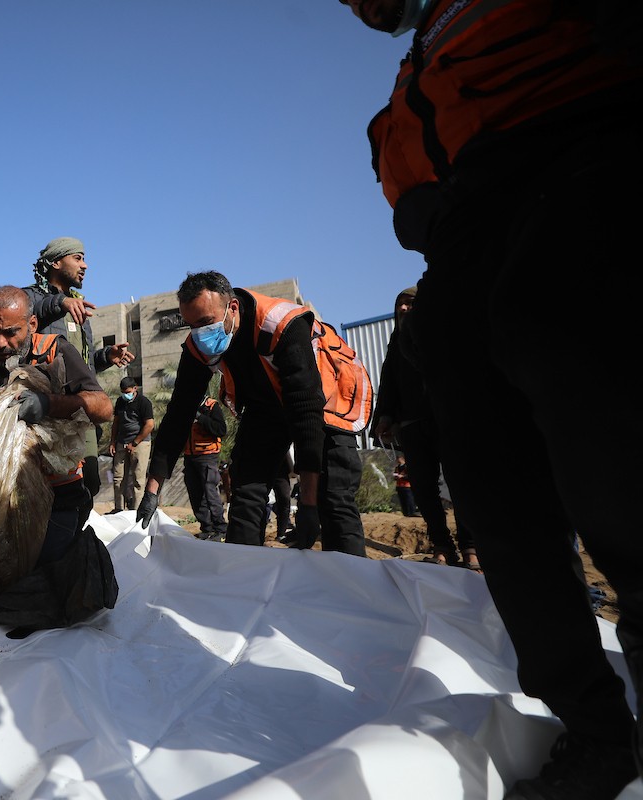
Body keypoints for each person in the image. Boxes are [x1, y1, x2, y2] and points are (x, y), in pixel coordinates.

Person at [338, 1, 641, 796]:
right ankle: (598, 730)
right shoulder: (420, 61)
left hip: (587, 180)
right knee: (502, 513)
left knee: (618, 481)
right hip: (471, 242)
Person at [136, 271, 367, 558]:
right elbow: (178, 415)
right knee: (246, 494)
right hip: (266, 408)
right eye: (193, 326)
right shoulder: (199, 345)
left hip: (326, 404)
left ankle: (354, 588)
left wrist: (308, 506)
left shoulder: (282, 324)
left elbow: (306, 413)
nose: (200, 334)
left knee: (333, 500)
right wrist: (152, 490)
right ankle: (242, 580)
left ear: (232, 308)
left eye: (206, 323)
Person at [0, 286, 112, 566]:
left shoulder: (56, 351)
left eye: (10, 332)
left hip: (57, 494)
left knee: (46, 572)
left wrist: (49, 404)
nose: (0, 342)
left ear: (32, 324)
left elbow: (103, 407)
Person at [372, 286, 479, 569]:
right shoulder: (396, 341)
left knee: (460, 483)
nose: (404, 309)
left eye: (410, 304)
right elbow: (389, 380)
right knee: (423, 488)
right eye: (400, 306)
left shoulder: (445, 331)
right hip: (411, 424)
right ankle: (441, 545)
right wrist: (384, 416)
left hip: (448, 420)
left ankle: (471, 547)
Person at [24, 237, 133, 503]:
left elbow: (83, 364)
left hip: (80, 410)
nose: (85, 265)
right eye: (78, 258)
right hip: (47, 410)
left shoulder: (79, 307)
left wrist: (107, 356)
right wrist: (60, 303)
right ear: (56, 262)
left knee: (90, 482)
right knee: (47, 483)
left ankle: (73, 537)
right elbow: (30, 312)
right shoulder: (30, 296)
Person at [181, 395, 228, 542]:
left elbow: (221, 429)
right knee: (195, 492)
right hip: (190, 455)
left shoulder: (212, 406)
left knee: (210, 492)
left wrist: (200, 418)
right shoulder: (185, 406)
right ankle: (206, 528)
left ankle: (220, 528)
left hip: (208, 455)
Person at [109, 377, 154, 513]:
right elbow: (116, 422)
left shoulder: (144, 402)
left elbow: (150, 425)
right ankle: (119, 509)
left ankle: (136, 511)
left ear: (135, 388)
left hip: (140, 444)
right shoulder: (120, 401)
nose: (125, 394)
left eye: (127, 391)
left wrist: (135, 443)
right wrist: (113, 442)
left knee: (138, 479)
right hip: (121, 443)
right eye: (123, 392)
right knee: (118, 478)